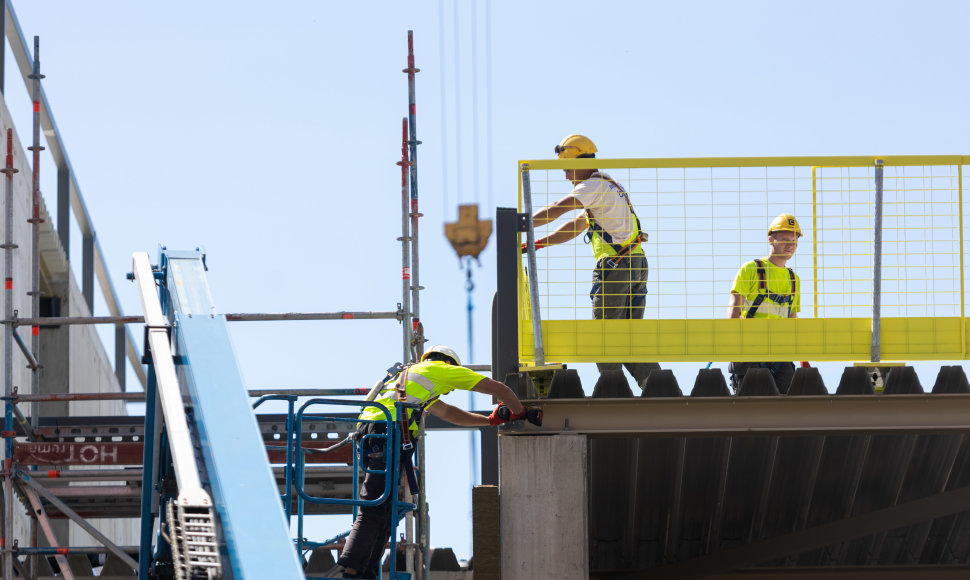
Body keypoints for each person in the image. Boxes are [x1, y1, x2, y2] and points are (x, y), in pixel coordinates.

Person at [331, 344, 535, 579]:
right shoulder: (442, 370)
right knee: (374, 505)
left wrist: (488, 420)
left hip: (374, 433)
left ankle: (365, 571)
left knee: (385, 507)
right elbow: (501, 389)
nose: (448, 391)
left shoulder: (411, 379)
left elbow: (449, 413)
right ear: (449, 363)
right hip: (387, 432)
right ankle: (353, 572)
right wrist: (519, 412)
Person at [525, 134, 658, 388]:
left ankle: (614, 392)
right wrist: (538, 243)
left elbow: (557, 208)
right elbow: (575, 226)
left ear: (579, 162)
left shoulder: (590, 187)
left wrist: (520, 224)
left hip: (616, 268)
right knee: (628, 340)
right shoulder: (607, 185)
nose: (565, 176)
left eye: (566, 168)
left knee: (603, 338)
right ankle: (660, 388)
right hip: (636, 264)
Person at [727, 213, 803, 394]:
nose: (790, 245)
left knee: (784, 412)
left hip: (780, 355)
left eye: (793, 241)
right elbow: (733, 313)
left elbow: (793, 319)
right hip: (749, 351)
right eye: (785, 240)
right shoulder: (751, 270)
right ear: (771, 239)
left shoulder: (793, 279)